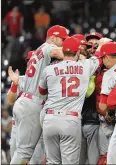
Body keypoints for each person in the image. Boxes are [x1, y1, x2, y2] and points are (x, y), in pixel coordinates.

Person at [9, 25, 67, 164]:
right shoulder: (47, 47)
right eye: (63, 39)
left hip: (25, 101)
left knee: (21, 151)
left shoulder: (39, 50)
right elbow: (61, 53)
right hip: (33, 103)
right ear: (53, 38)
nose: (64, 43)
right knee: (24, 152)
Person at [38, 36, 100, 164]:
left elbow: (41, 91)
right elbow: (98, 58)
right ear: (78, 52)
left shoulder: (49, 69)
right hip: (70, 119)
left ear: (63, 51)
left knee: (52, 162)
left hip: (50, 119)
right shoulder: (85, 66)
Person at [72, 34, 100, 164]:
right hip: (76, 121)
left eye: (96, 45)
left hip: (92, 120)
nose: (92, 48)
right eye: (89, 45)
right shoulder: (84, 64)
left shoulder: (101, 65)